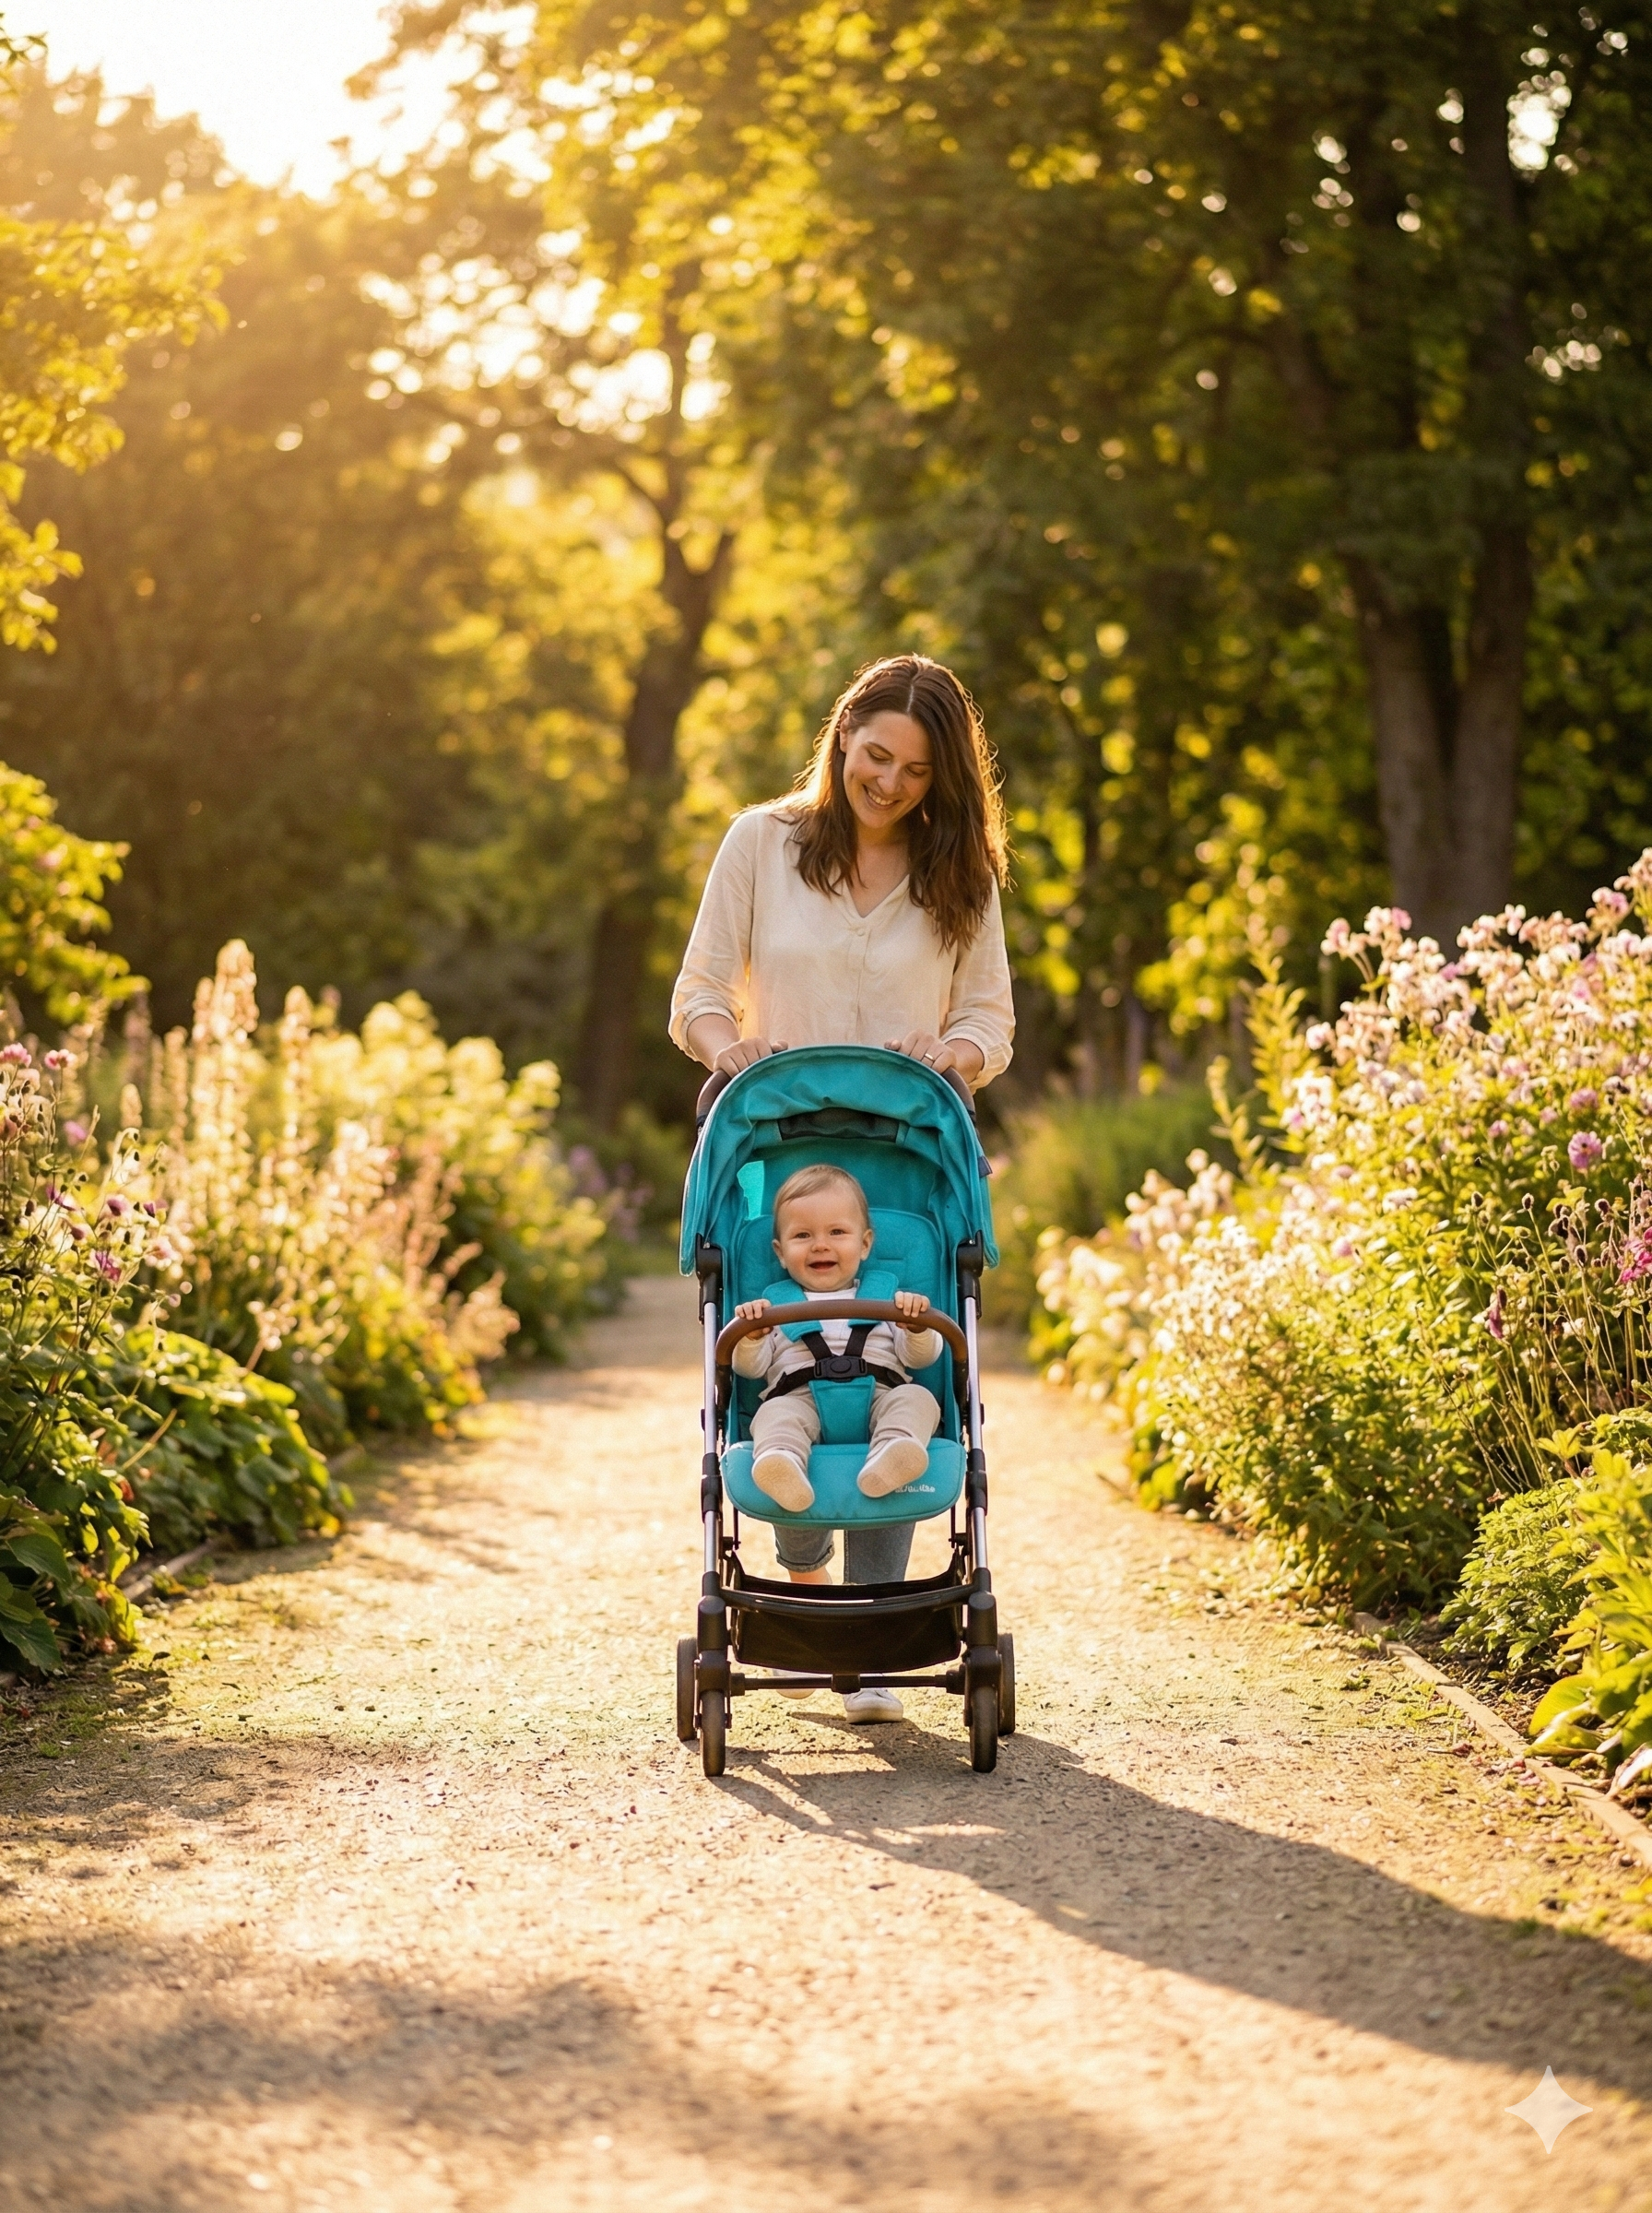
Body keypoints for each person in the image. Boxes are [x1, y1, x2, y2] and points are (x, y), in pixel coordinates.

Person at [670, 653, 1014, 1721]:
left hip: (907, 1161)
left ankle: (865, 1639)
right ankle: (803, 1572)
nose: (889, 784)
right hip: (783, 1161)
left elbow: (989, 1022)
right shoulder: (761, 845)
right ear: (842, 737)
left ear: (943, 778)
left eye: (917, 770)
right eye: (875, 756)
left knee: (894, 1374)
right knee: (791, 1370)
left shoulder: (959, 876)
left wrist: (949, 1052)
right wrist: (730, 1046)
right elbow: (695, 995)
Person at [732, 1164, 942, 1512]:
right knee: (774, 1413)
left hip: (880, 1395)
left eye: (837, 1232)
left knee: (917, 1397)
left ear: (864, 1244)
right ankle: (781, 1461)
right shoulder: (770, 1307)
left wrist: (917, 1328)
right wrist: (752, 1337)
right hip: (798, 1397)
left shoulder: (887, 1299)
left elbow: (920, 1359)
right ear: (780, 1252)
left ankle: (894, 1452)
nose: (820, 1245)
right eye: (802, 1236)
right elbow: (750, 1369)